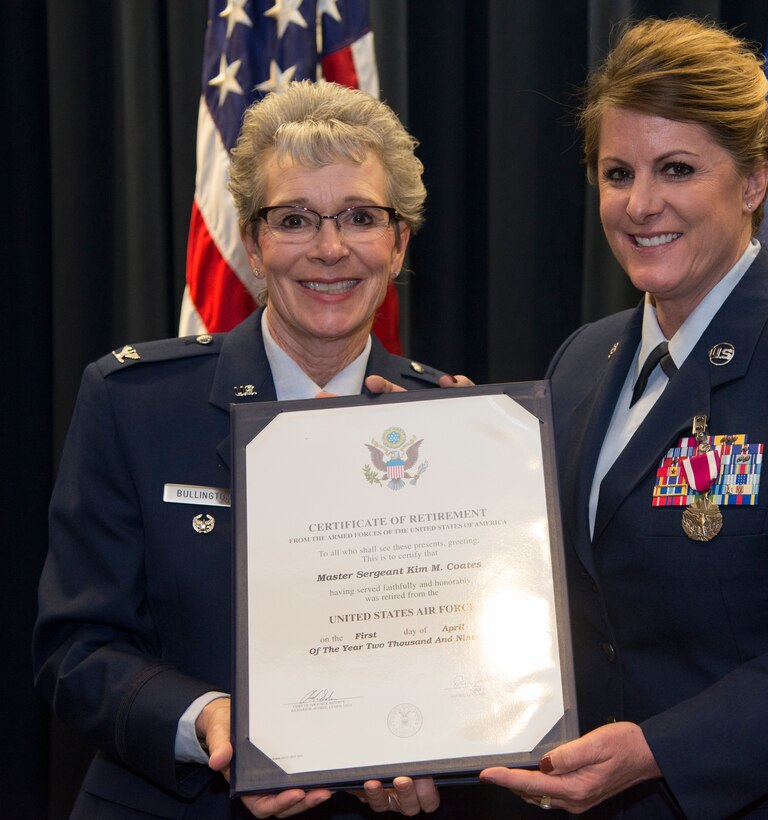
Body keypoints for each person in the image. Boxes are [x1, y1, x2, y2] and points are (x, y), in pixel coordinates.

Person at [480, 17, 768, 818]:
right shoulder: (581, 362)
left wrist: (662, 751)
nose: (641, 203)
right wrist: (451, 450)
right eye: (617, 171)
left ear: (756, 181)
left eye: (678, 169)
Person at [34, 81, 459, 819]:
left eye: (360, 217)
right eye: (294, 219)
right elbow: (74, 650)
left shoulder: (456, 430)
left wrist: (443, 745)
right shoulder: (134, 406)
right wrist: (205, 719)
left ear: (398, 244)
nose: (330, 249)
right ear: (254, 245)